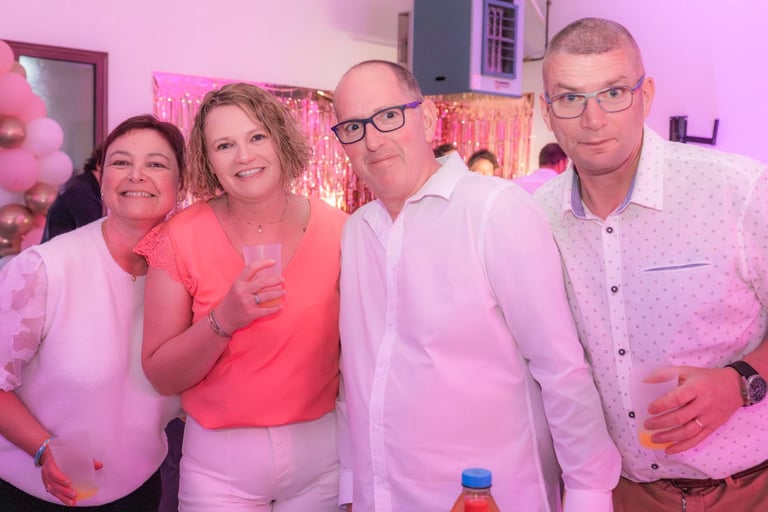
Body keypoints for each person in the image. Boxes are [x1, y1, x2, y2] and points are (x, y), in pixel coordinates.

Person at [331, 59, 620, 512]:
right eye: (353, 127)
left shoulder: (494, 211)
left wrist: (588, 493)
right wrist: (352, 486)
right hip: (383, 497)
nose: (372, 140)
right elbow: (358, 373)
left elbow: (559, 366)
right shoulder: (356, 231)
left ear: (426, 117)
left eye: (388, 116)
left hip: (490, 497)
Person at [534, 17, 768, 511]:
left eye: (613, 93)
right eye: (571, 97)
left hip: (750, 489)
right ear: (546, 110)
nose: (593, 119)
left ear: (646, 95)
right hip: (619, 494)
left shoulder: (738, 191)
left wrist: (738, 382)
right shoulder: (535, 220)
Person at [136, 82, 347, 512]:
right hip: (220, 471)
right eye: (225, 145)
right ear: (208, 161)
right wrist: (223, 320)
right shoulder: (179, 236)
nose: (244, 156)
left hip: (323, 462)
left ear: (281, 140)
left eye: (256, 137)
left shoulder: (340, 230)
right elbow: (161, 376)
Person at [0, 114, 184, 510]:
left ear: (180, 184)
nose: (136, 174)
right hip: (33, 495)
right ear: (101, 180)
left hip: (140, 490)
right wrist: (43, 448)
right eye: (121, 162)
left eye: (155, 163)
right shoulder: (44, 270)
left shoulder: (186, 277)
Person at [41, 144, 105, 242]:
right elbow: (98, 236)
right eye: (119, 164)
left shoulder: (87, 186)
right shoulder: (81, 190)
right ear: (99, 164)